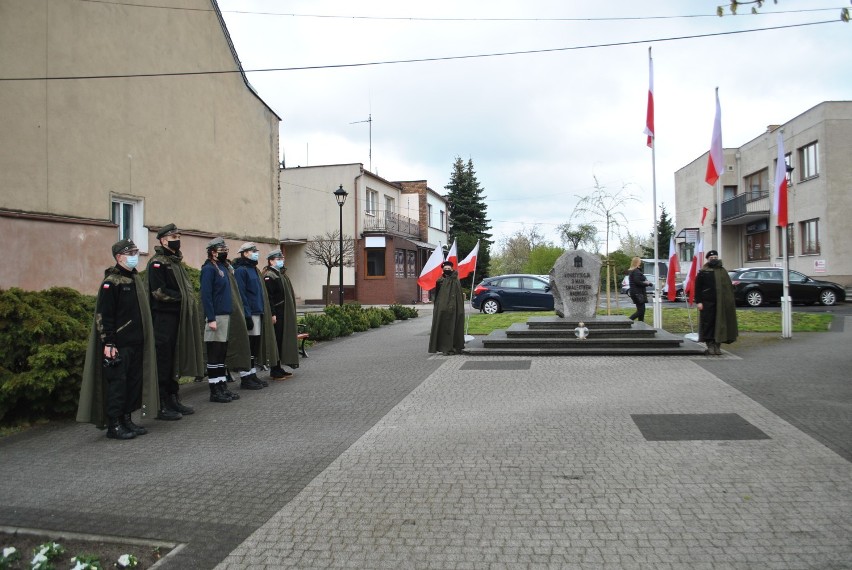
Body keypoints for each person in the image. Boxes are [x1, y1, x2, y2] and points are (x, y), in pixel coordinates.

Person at [77, 239, 158, 440]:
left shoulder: (133, 279)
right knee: (118, 385)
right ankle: (114, 425)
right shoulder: (111, 283)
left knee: (132, 384)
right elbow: (104, 316)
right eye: (130, 253)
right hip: (119, 344)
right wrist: (109, 342)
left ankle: (126, 419)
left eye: (136, 252)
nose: (134, 257)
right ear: (119, 257)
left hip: (136, 341)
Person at [146, 223, 205, 420]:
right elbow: (158, 292)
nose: (177, 240)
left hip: (176, 317)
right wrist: (182, 298)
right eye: (173, 237)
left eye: (178, 236)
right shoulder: (158, 263)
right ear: (163, 240)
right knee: (163, 361)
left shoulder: (175, 262)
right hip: (163, 318)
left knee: (173, 360)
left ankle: (173, 398)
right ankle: (162, 404)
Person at [232, 242, 278, 389]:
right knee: (248, 345)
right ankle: (245, 377)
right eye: (253, 251)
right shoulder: (241, 270)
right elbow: (241, 294)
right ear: (245, 253)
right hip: (250, 312)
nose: (256, 253)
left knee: (254, 345)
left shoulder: (254, 269)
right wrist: (246, 314)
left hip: (257, 311)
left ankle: (252, 374)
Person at [200, 237, 240, 403]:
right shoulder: (209, 269)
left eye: (226, 249)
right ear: (213, 252)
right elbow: (206, 295)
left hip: (224, 315)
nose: (225, 252)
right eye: (221, 249)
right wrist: (211, 318)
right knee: (214, 355)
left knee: (221, 354)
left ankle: (222, 385)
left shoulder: (222, 267)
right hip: (216, 316)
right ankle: (214, 390)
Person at [262, 249, 299, 379]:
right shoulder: (269, 276)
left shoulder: (280, 274)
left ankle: (279, 367)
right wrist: (272, 313)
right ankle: (274, 369)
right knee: (276, 340)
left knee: (281, 339)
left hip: (283, 312)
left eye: (281, 259)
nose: (281, 261)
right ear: (271, 261)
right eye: (278, 259)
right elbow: (269, 297)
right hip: (277, 312)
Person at [694, 249, 738, 355]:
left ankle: (717, 346)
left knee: (720, 323)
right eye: (711, 258)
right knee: (708, 324)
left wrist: (732, 286)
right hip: (707, 303)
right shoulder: (703, 272)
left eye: (715, 258)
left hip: (721, 303)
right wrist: (699, 302)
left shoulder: (723, 271)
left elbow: (726, 287)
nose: (713, 259)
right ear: (708, 259)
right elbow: (698, 288)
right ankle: (710, 346)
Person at [428, 260, 465, 355]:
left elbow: (458, 295)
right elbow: (437, 295)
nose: (447, 270)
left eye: (449, 268)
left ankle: (455, 347)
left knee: (454, 326)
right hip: (442, 308)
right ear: (443, 270)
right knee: (443, 327)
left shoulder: (455, 280)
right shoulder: (440, 280)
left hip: (455, 308)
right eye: (445, 269)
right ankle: (444, 347)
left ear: (452, 269)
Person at [627, 256, 652, 322]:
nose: (640, 263)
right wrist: (646, 283)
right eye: (639, 261)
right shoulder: (636, 271)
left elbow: (637, 281)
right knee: (641, 311)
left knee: (641, 310)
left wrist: (647, 282)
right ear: (637, 262)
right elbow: (637, 282)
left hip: (636, 292)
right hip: (638, 293)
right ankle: (627, 321)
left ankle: (641, 325)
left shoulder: (633, 271)